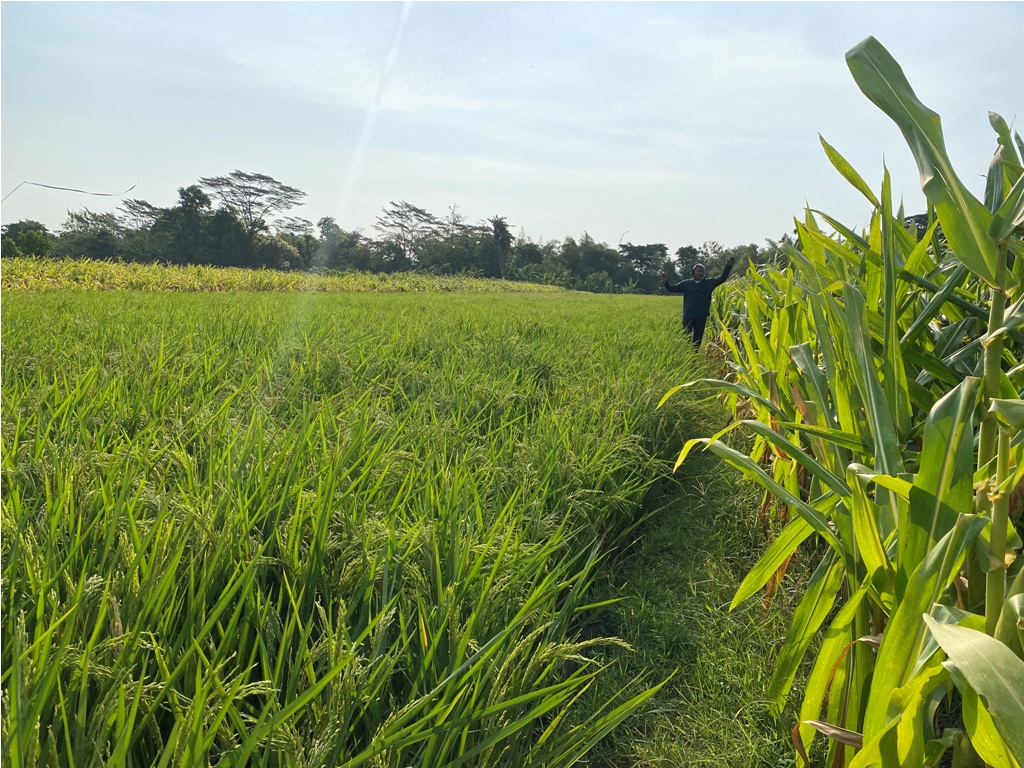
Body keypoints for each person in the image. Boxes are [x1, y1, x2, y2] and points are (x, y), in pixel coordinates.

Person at [661, 256, 735, 347]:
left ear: (704, 273)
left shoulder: (708, 284)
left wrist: (728, 266)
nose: (700, 273)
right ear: (693, 272)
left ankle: (694, 360)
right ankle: (686, 358)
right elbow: (671, 289)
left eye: (702, 271)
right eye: (698, 271)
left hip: (701, 317)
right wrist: (666, 282)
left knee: (697, 341)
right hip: (688, 316)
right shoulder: (686, 284)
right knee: (686, 340)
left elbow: (722, 278)